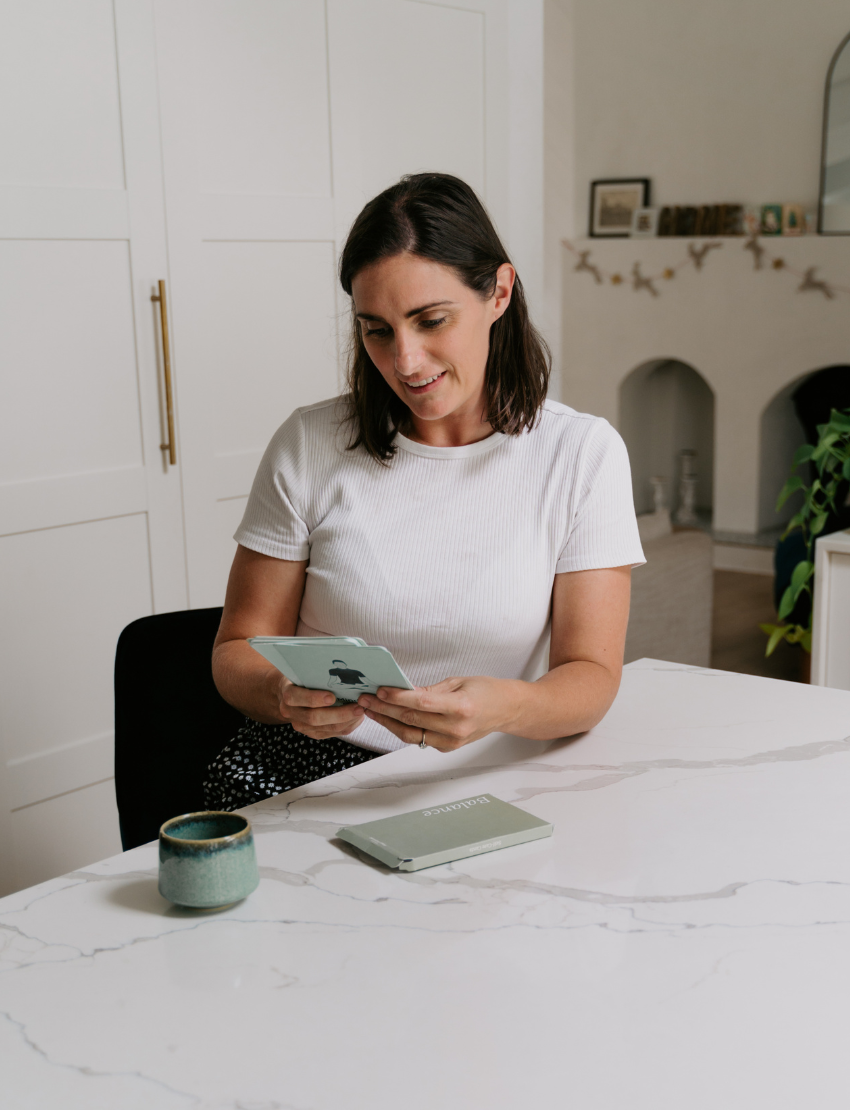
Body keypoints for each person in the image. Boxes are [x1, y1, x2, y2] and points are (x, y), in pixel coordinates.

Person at [205, 173, 644, 810]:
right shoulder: (310, 444)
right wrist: (280, 693)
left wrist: (508, 706)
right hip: (316, 772)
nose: (405, 361)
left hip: (491, 768)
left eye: (430, 320)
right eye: (377, 329)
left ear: (499, 292)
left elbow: (591, 677)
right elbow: (235, 652)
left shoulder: (581, 454)